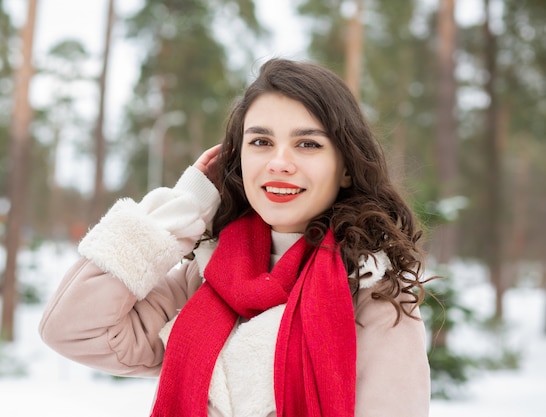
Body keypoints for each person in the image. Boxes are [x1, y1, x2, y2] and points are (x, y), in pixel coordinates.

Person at [39, 58, 431, 417]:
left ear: (346, 167)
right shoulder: (209, 276)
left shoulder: (373, 292)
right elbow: (72, 329)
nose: (279, 162)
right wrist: (184, 207)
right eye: (261, 142)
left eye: (307, 144)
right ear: (238, 159)